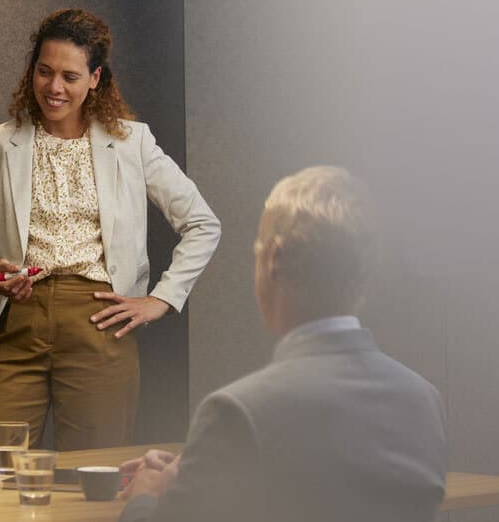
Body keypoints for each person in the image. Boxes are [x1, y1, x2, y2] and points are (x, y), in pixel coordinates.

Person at [0, 8, 220, 450]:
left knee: (94, 477)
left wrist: (162, 299)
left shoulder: (132, 143)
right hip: (18, 320)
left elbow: (201, 223)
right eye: (44, 71)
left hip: (99, 324)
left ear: (95, 78)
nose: (54, 88)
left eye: (70, 76)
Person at [117, 166, 448, 522]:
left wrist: (145, 496)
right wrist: (199, 469)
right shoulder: (424, 399)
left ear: (273, 259)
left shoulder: (236, 411)